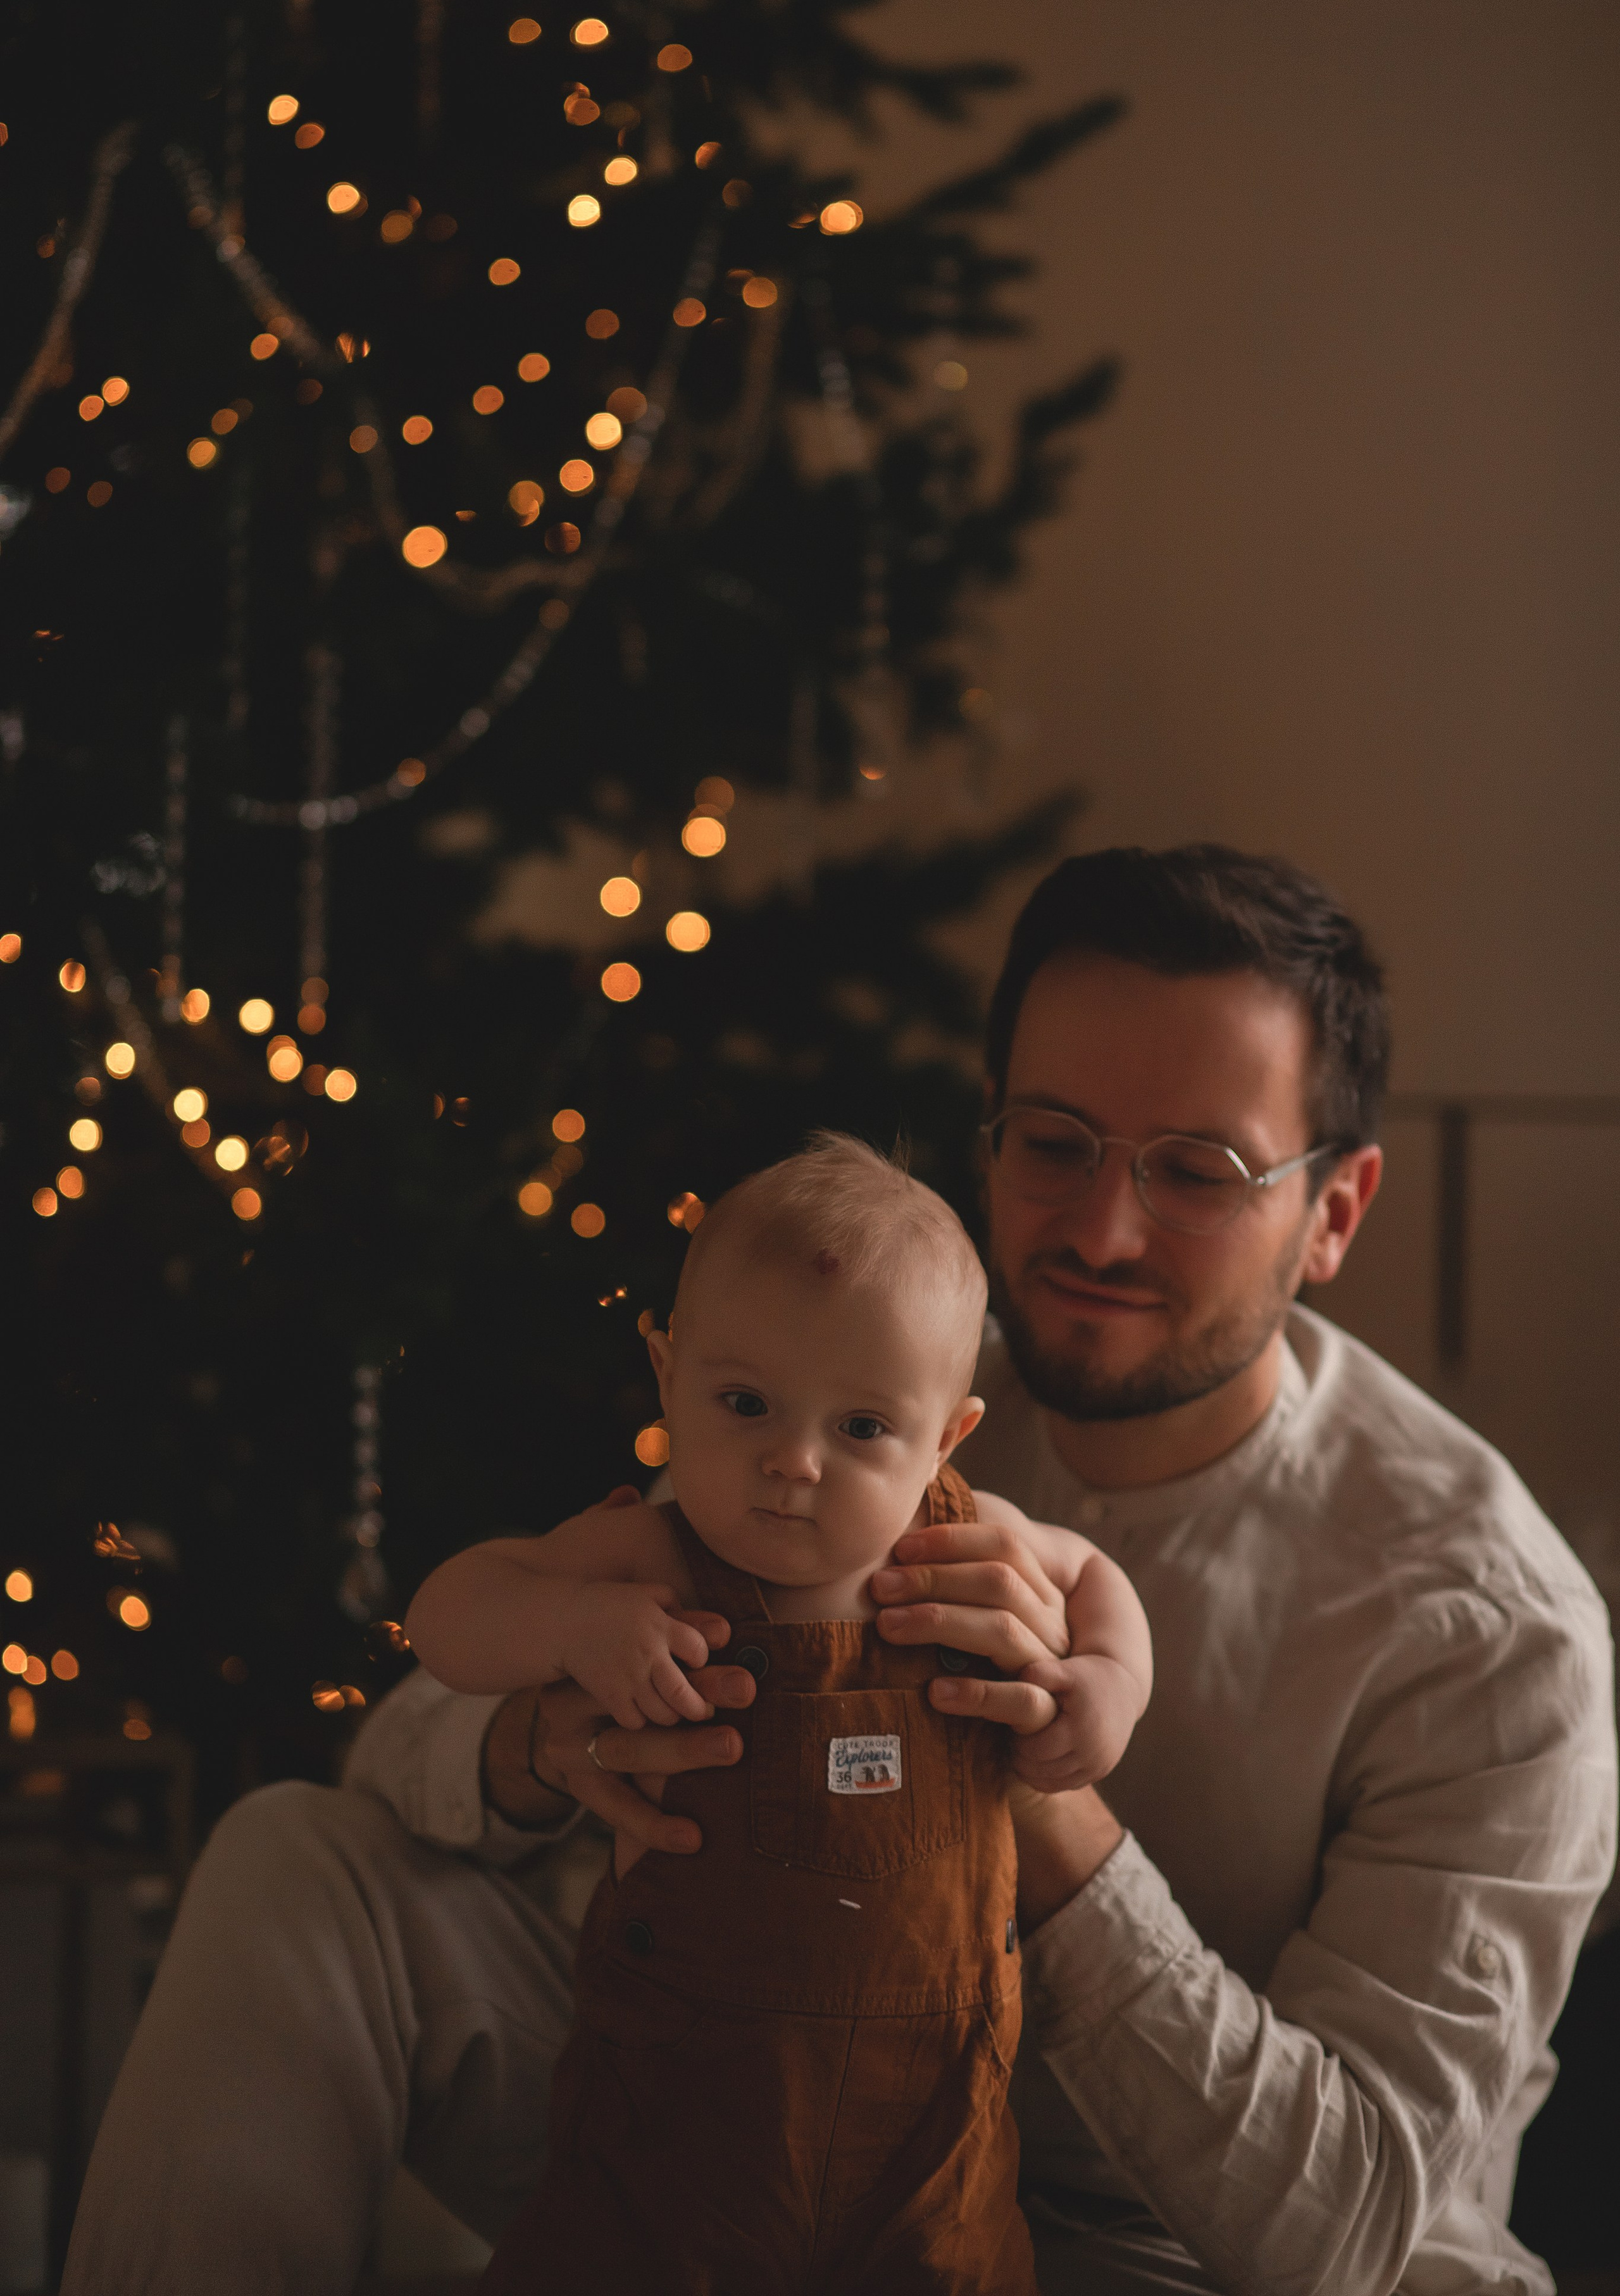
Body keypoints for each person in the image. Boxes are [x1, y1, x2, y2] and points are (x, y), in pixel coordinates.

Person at [63, 845, 1616, 2296]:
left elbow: (1343, 2232)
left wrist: (1033, 1797)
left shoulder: (1490, 1626)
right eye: (1053, 1143)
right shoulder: (848, 1392)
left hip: (1157, 2260)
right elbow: (402, 1746)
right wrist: (554, 1737)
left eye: (1196, 1169)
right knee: (294, 1856)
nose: (1100, 1226)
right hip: (743, 2119)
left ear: (1331, 1211)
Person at [404, 1135, 1150, 2292]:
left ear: (947, 1435)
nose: (790, 1463)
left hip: (931, 2146)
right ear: (667, 1375)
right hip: (673, 2133)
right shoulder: (650, 1550)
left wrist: (1108, 1683)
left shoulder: (969, 1538)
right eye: (745, 1403)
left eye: (861, 1429)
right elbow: (447, 1613)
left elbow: (1097, 1578)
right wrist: (568, 1631)